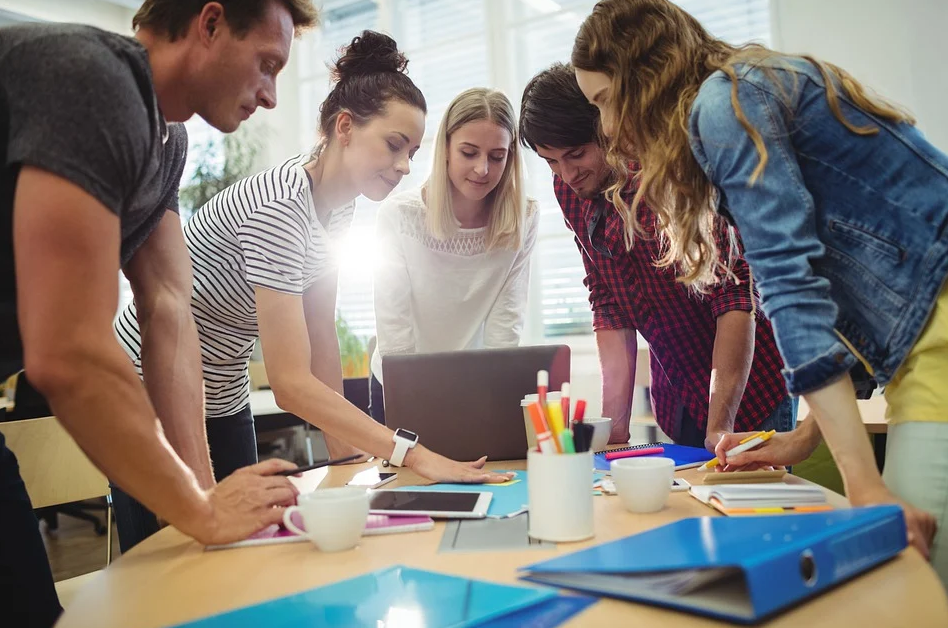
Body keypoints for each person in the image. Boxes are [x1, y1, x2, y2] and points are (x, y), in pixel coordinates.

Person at [571, 0, 944, 574]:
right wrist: (802, 439)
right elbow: (842, 293)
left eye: (603, 100)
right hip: (918, 349)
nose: (609, 126)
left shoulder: (726, 106)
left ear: (640, 77)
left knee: (912, 569)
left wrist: (861, 483)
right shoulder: (746, 88)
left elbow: (793, 290)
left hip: (937, 335)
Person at [113, 32, 513, 550]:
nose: (405, 166)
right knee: (172, 558)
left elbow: (320, 333)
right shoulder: (279, 206)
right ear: (344, 127)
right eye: (394, 145)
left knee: (236, 549)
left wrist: (348, 460)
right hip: (152, 380)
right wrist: (409, 453)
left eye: (412, 151)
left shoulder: (338, 208)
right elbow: (290, 383)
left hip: (223, 387)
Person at [0, 1, 318, 625]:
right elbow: (68, 354)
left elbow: (170, 309)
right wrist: (200, 511)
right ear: (210, 23)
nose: (272, 95)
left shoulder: (165, 137)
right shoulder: (94, 78)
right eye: (267, 64)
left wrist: (204, 502)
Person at [519, 63, 793, 449]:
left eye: (576, 154)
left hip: (748, 392)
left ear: (607, 129)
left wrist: (721, 427)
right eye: (550, 161)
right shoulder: (571, 189)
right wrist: (613, 428)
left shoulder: (668, 174)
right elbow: (608, 300)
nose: (565, 174)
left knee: (751, 506)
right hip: (678, 394)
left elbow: (733, 297)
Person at [369, 88, 539, 425]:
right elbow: (394, 330)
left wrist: (492, 400)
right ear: (445, 149)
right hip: (400, 382)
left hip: (476, 383)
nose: (482, 169)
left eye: (497, 156)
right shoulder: (399, 216)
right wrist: (415, 401)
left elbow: (506, 327)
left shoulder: (524, 217)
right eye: (469, 152)